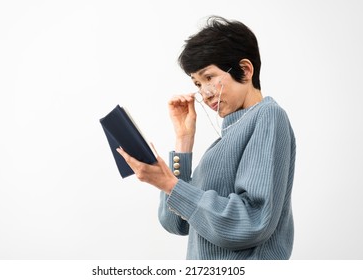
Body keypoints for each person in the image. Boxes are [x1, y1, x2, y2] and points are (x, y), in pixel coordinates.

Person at [116, 16, 296, 260]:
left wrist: (169, 183)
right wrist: (183, 141)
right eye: (197, 84)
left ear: (245, 69)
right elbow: (175, 223)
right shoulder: (224, 141)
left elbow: (253, 221)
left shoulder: (268, 116)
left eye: (209, 77)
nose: (205, 93)